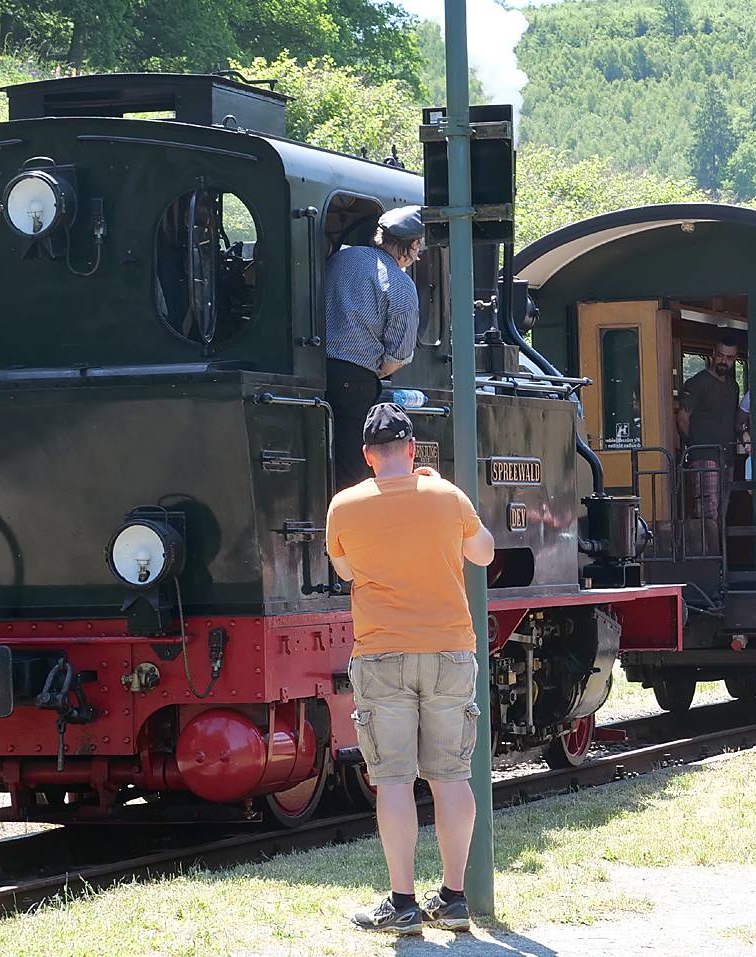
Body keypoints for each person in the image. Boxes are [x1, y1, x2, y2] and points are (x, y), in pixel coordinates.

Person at [330, 404, 497, 934]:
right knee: (451, 777)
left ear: (367, 456)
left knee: (394, 781)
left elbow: (345, 570)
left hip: (381, 655)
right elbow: (484, 554)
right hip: (449, 651)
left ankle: (402, 904)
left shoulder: (344, 505)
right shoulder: (447, 496)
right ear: (411, 449)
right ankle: (453, 898)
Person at [325, 206, 425, 492]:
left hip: (312, 369)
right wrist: (377, 370)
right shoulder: (400, 285)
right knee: (352, 469)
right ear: (412, 246)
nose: (419, 254)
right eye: (419, 248)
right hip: (355, 380)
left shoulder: (340, 259)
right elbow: (398, 355)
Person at [678, 335, 745, 534]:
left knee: (722, 512)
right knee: (707, 512)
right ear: (713, 355)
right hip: (704, 455)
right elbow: (682, 418)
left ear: (735, 359)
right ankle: (705, 552)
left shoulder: (733, 386)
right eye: (721, 356)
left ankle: (717, 552)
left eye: (730, 358)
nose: (724, 361)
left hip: (727, 456)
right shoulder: (697, 383)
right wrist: (694, 445)